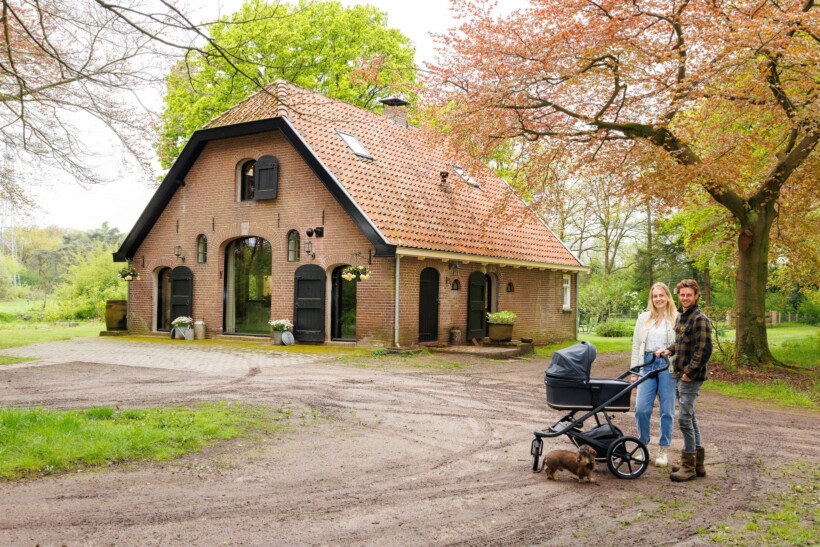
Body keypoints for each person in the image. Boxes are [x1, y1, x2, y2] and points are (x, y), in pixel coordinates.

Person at [656, 279, 712, 482]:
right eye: (682, 294)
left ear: (696, 296)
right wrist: (669, 350)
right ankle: (697, 464)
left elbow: (704, 350)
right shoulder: (682, 316)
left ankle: (688, 467)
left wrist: (689, 372)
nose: (685, 298)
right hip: (679, 373)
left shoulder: (700, 319)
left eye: (689, 295)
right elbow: (680, 342)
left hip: (690, 377)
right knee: (691, 417)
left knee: (684, 420)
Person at [630, 282, 677, 467]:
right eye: (655, 296)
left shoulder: (676, 318)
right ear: (651, 299)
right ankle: (643, 446)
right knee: (641, 409)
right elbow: (636, 345)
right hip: (647, 364)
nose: (658, 299)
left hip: (667, 366)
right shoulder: (643, 318)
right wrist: (634, 371)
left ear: (667, 297)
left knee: (667, 410)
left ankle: (663, 450)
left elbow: (681, 345)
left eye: (661, 295)